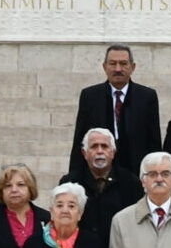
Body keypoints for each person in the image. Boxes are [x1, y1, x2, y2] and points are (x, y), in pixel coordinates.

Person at [68, 44, 162, 178]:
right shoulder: (90, 96)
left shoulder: (147, 96)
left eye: (123, 63)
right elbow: (80, 140)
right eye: (113, 63)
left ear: (133, 67)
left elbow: (154, 141)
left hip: (135, 173)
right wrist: (73, 176)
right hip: (98, 173)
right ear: (104, 67)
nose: (118, 69)